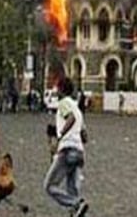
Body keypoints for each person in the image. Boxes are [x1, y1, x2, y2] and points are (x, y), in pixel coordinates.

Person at [44, 77, 88, 217]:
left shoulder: (63, 103)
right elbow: (85, 136)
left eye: (57, 88)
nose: (56, 91)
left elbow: (70, 118)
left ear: (62, 90)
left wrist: (59, 135)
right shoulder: (77, 109)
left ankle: (77, 204)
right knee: (72, 191)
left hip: (67, 150)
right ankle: (76, 209)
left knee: (49, 186)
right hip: (79, 152)